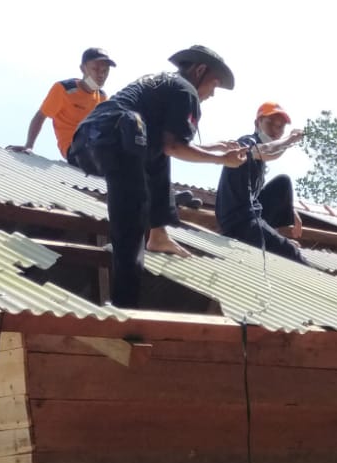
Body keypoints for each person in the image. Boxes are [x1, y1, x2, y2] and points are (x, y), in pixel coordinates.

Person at [67, 46, 250, 309]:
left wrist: (214, 148)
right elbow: (174, 147)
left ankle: (158, 233)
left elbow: (165, 144)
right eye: (213, 85)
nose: (211, 94)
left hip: (87, 141)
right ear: (199, 71)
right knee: (131, 217)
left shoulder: (162, 83)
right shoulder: (186, 91)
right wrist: (223, 160)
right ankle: (124, 308)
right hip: (117, 138)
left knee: (151, 151)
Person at [215, 101, 308, 262]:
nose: (274, 130)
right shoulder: (246, 143)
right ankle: (274, 240)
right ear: (257, 123)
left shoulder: (262, 159)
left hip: (253, 216)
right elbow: (266, 150)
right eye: (270, 123)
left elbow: (271, 152)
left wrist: (291, 209)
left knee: (283, 182)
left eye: (280, 127)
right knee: (291, 253)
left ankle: (270, 234)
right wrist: (289, 140)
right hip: (238, 222)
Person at [10, 47, 115, 159]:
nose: (101, 75)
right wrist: (29, 145)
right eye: (96, 69)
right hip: (75, 149)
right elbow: (41, 116)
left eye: (105, 71)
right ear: (83, 68)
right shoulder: (65, 89)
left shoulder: (102, 97)